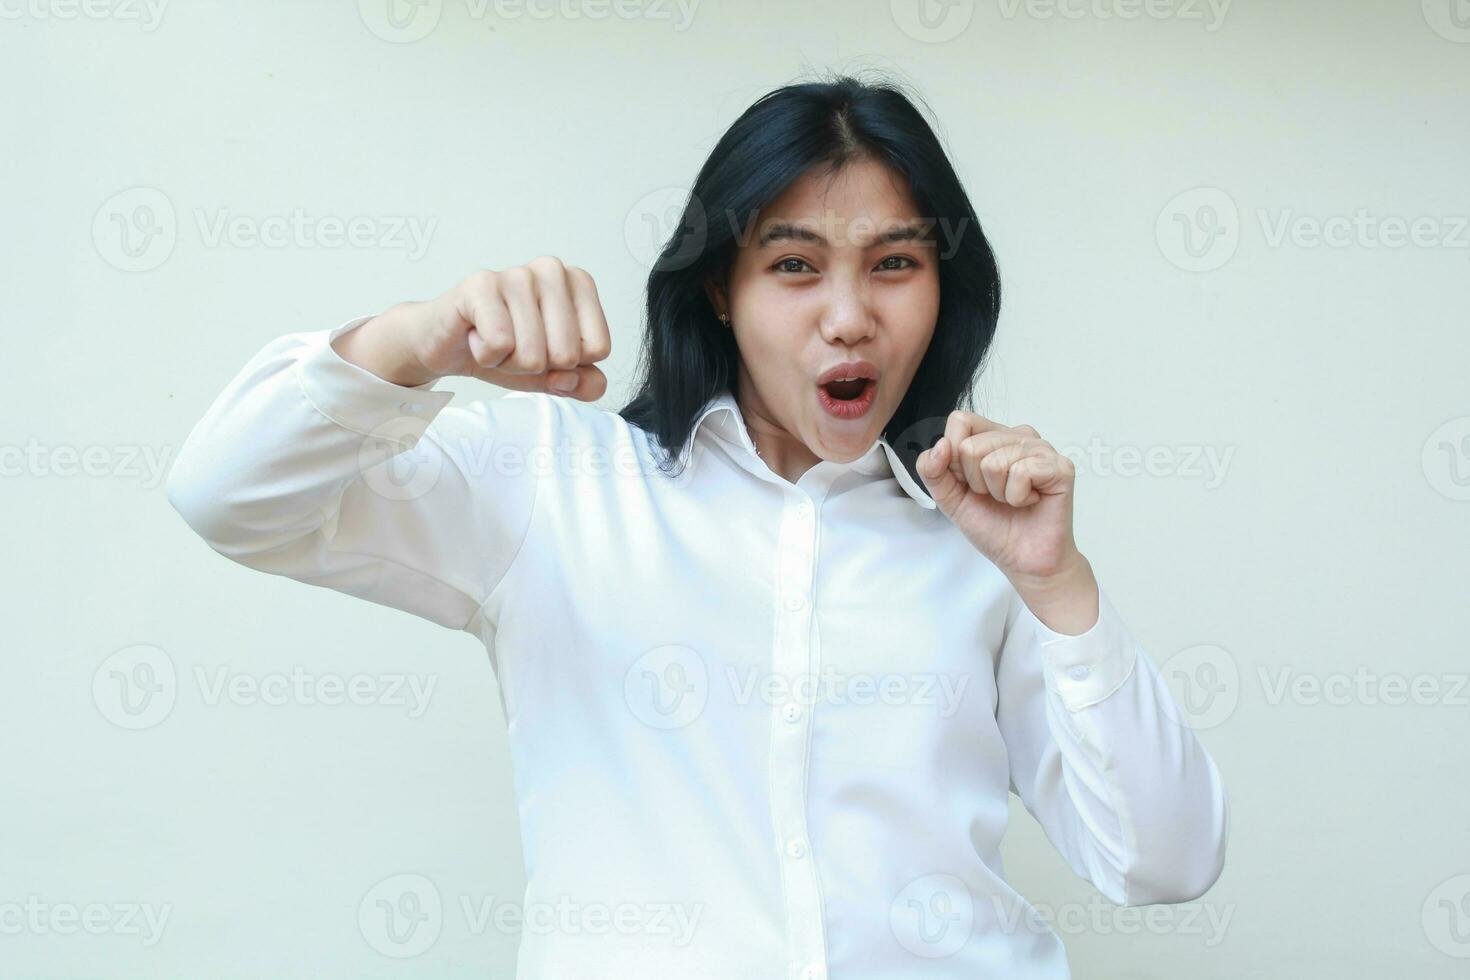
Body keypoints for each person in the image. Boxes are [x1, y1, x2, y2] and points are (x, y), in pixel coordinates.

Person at [167, 73, 1228, 979]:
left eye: (896, 263)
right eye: (796, 264)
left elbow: (1167, 858)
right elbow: (226, 493)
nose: (849, 312)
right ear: (721, 289)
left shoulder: (984, 537)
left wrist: (1062, 586)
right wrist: (415, 341)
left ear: (944, 290)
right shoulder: (557, 478)